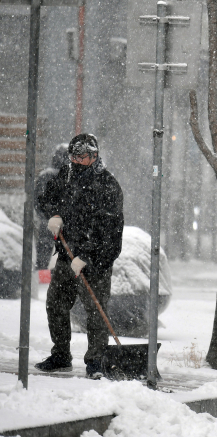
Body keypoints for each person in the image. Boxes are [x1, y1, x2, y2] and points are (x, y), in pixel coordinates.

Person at [35, 133, 124, 378]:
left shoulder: (107, 185)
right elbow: (45, 200)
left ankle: (96, 361)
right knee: (55, 305)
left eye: (83, 156)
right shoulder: (65, 176)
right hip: (66, 256)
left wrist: (87, 257)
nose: (77, 160)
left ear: (94, 156)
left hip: (95, 262)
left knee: (95, 312)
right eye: (74, 155)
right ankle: (61, 354)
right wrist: (53, 215)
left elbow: (111, 232)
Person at [34, 143, 70, 281]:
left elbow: (36, 201)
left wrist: (44, 216)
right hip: (63, 224)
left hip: (47, 223)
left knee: (43, 255)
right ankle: (61, 280)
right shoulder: (68, 177)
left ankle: (40, 282)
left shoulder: (45, 176)